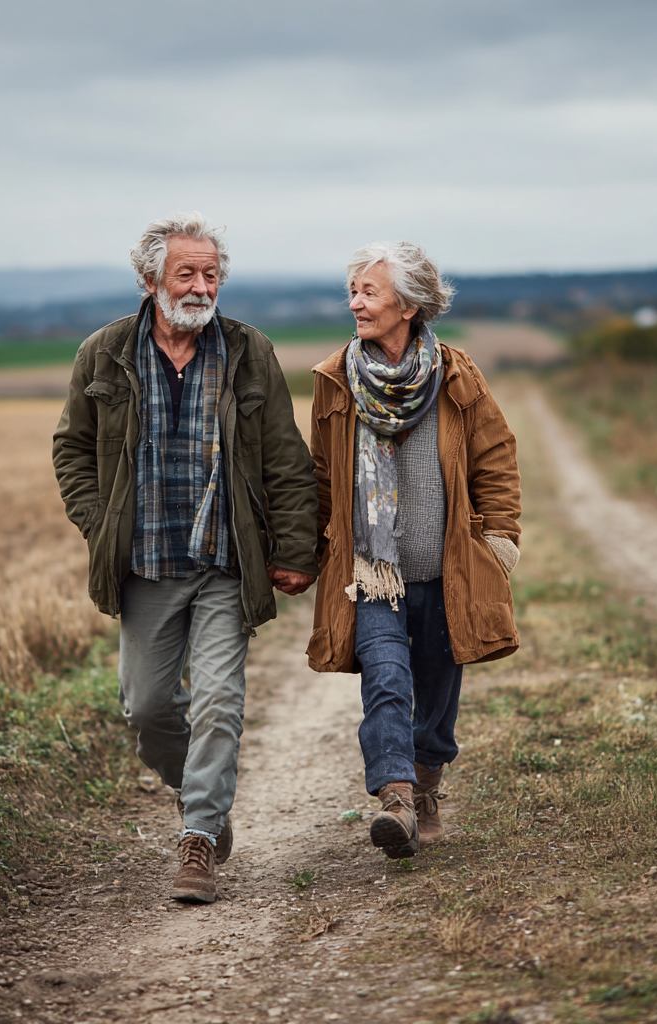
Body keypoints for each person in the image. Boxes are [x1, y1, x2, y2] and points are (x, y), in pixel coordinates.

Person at [53, 213, 318, 902]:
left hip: (227, 564)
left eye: (211, 274)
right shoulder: (104, 354)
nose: (202, 286)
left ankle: (198, 836)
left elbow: (287, 460)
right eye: (187, 274)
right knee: (145, 709)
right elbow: (72, 450)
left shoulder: (247, 351)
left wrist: (294, 549)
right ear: (150, 280)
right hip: (144, 565)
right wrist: (97, 523)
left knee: (221, 703)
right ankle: (191, 789)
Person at [307, 242, 521, 859]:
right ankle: (397, 799)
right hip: (373, 574)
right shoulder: (333, 380)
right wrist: (309, 551)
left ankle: (428, 781)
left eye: (368, 292)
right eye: (353, 292)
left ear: (408, 304)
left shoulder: (457, 374)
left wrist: (499, 539)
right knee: (387, 680)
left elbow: (495, 457)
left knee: (437, 687)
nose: (355, 304)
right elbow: (321, 475)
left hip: (446, 570)